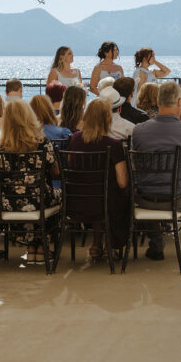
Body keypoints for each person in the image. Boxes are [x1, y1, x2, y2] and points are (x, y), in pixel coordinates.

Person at [131, 81, 181, 260]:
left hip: (144, 199)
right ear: (179, 102)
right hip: (178, 200)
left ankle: (156, 244)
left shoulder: (138, 131)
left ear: (159, 101)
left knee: (149, 183)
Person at [0, 99, 61, 264]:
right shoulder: (41, 143)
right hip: (39, 200)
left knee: (26, 197)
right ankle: (42, 247)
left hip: (8, 201)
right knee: (55, 196)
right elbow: (56, 172)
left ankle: (31, 247)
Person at [68, 99, 130, 260]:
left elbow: (70, 167)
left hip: (76, 201)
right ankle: (111, 245)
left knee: (98, 193)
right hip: (104, 203)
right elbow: (123, 182)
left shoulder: (74, 139)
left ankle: (96, 244)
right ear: (107, 118)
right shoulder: (113, 144)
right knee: (117, 194)